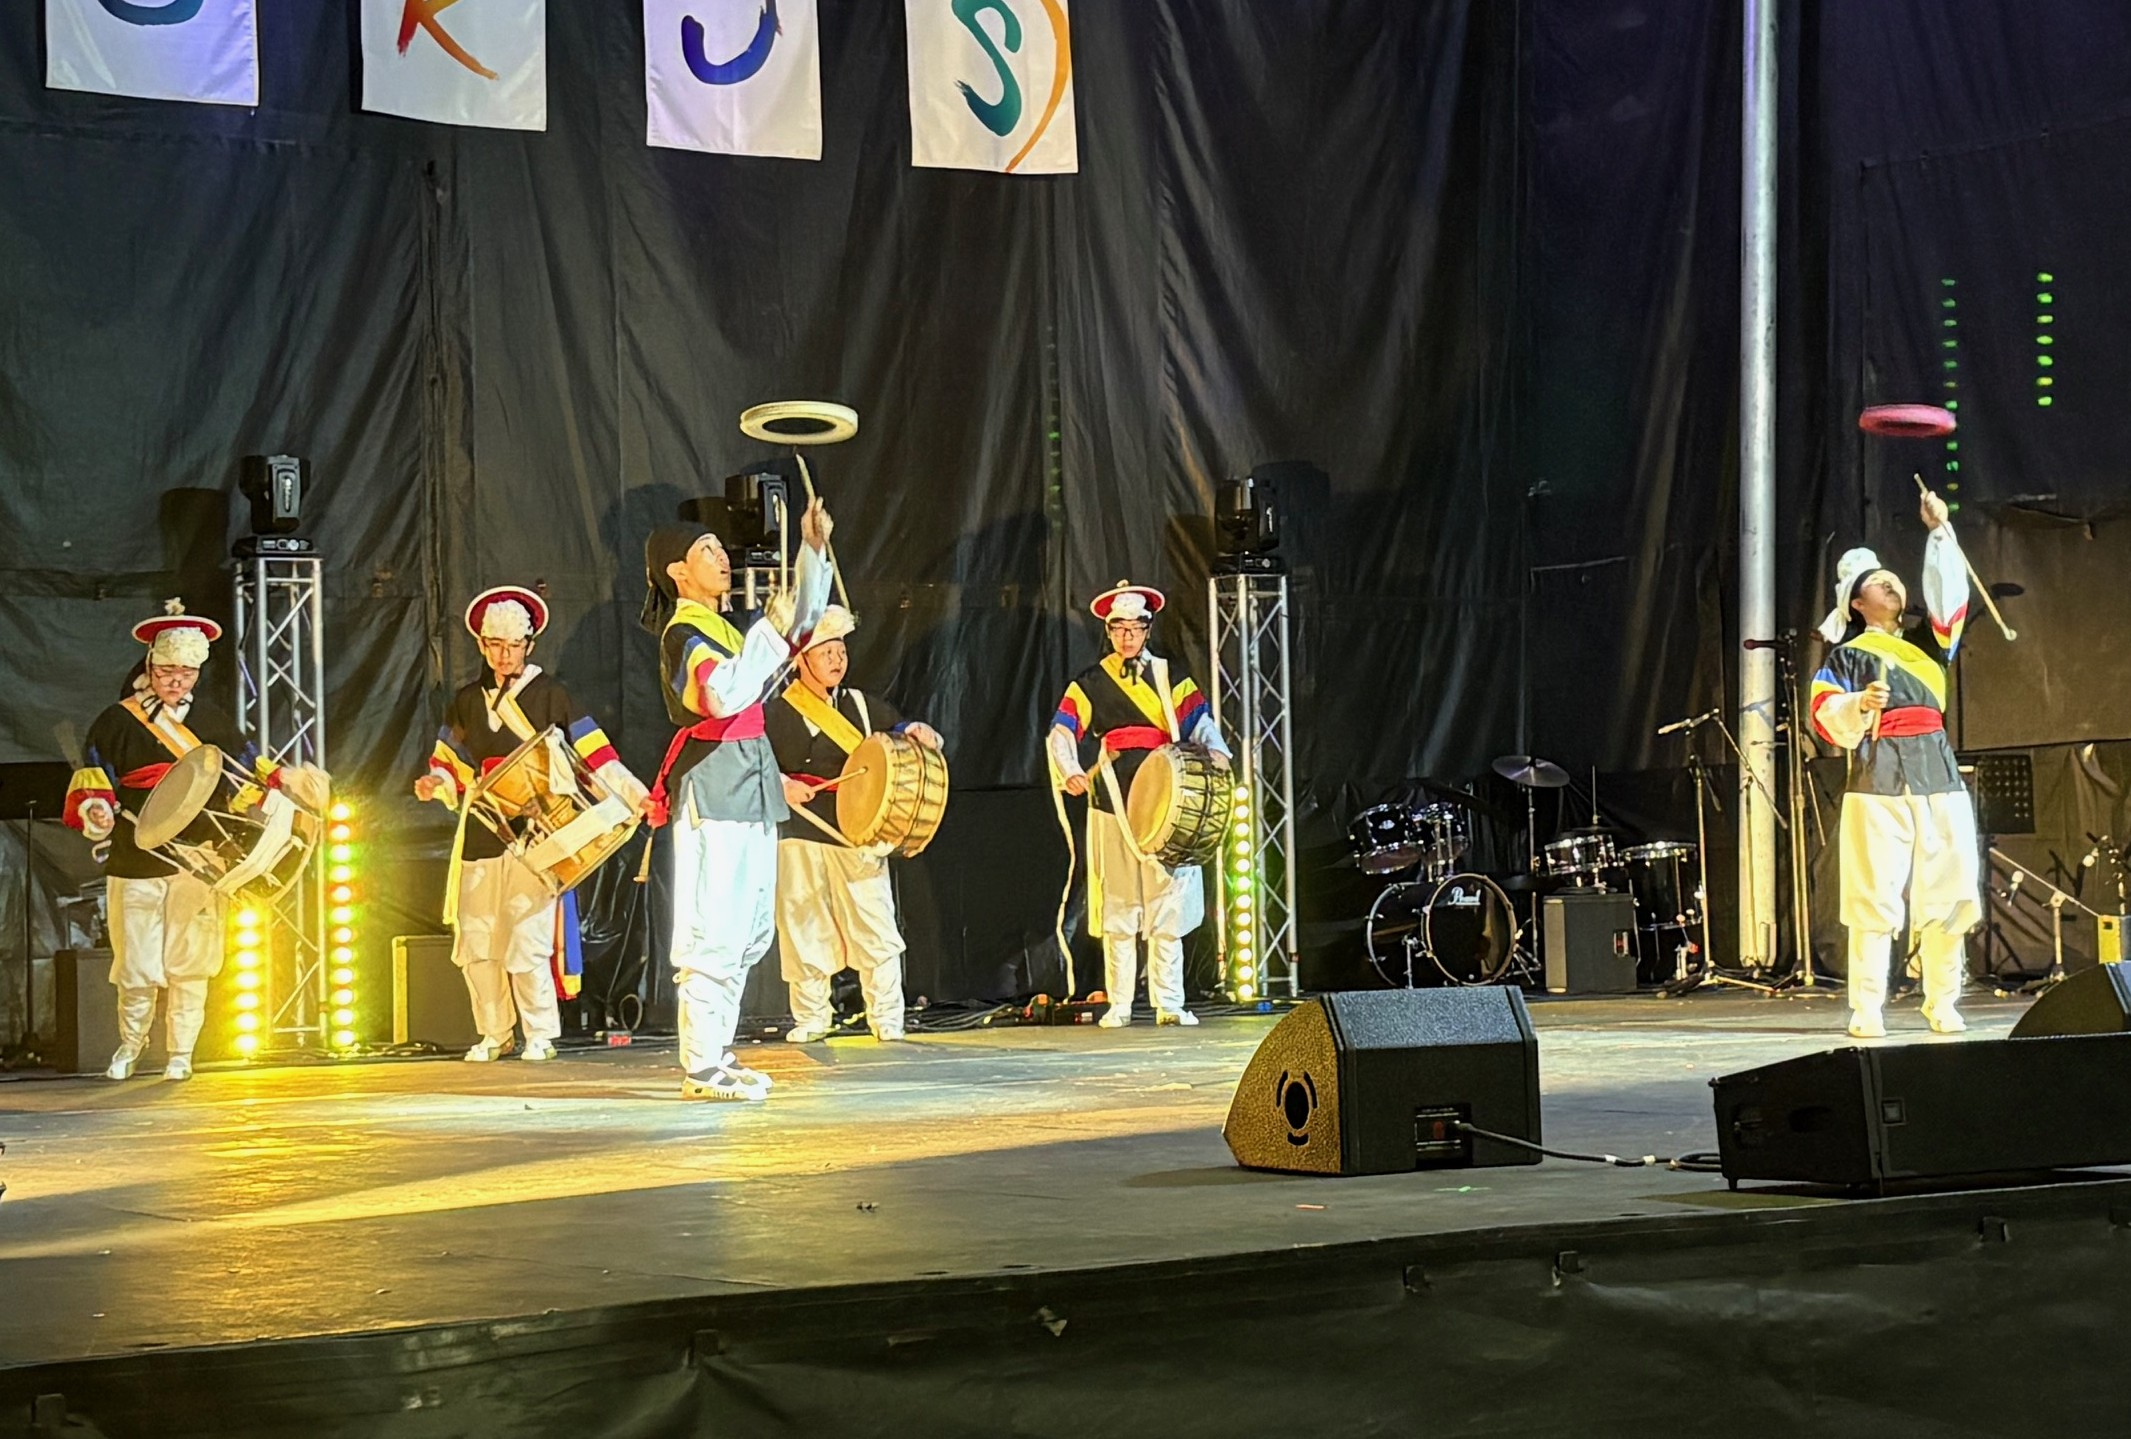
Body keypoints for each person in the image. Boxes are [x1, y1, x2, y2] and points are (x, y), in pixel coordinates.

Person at [642, 499, 833, 1100]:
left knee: (750, 929)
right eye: (706, 551)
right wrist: (772, 633)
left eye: (720, 548)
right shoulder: (684, 633)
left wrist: (813, 550)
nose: (721, 557)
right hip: (716, 782)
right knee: (715, 926)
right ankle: (701, 1066)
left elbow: (798, 626)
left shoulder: (725, 627)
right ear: (677, 571)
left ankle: (717, 1052)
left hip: (750, 778)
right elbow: (721, 695)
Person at [416, 587, 646, 1062]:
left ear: (529, 645)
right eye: (495, 645)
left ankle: (539, 1032)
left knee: (528, 938)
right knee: (477, 939)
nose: (505, 655)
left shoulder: (551, 695)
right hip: (483, 828)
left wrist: (634, 793)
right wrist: (436, 782)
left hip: (538, 829)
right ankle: (494, 1032)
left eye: (514, 645)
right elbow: (450, 763)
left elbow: (595, 752)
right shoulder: (467, 701)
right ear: (482, 645)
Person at [63, 601, 278, 1081]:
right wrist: (96, 807)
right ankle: (130, 1044)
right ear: (149, 667)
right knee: (136, 963)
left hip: (198, 854)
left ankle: (181, 1052)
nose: (176, 682)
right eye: (166, 672)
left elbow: (246, 775)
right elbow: (95, 780)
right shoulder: (117, 720)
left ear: (197, 674)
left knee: (191, 961)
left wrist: (272, 791)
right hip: (136, 851)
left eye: (186, 673)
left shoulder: (213, 720)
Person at [1809, 485, 1978, 1039]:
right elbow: (1824, 715)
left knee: (1950, 890)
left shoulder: (1931, 642)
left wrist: (1940, 532)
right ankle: (1867, 1007)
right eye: (1879, 583)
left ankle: (1942, 1000)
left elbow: (1949, 592)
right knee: (1873, 893)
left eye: (1894, 579)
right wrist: (1859, 703)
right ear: (1857, 604)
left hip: (1936, 772)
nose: (1893, 585)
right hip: (1877, 775)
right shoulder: (1848, 657)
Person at [1047, 581, 1230, 1027]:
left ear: (1148, 629)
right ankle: (1121, 1003)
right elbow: (1061, 731)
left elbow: (1200, 721)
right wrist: (1070, 769)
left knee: (1168, 901)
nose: (1127, 636)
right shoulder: (1089, 683)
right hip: (1111, 795)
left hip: (1166, 796)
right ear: (1109, 630)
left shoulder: (1171, 676)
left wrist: (1217, 750)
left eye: (1136, 628)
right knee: (1119, 900)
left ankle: (1170, 1003)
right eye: (1119, 628)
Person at [764, 606, 944, 1043]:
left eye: (841, 650)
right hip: (801, 832)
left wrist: (919, 731)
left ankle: (887, 1015)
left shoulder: (861, 705)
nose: (836, 659)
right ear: (801, 659)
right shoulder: (774, 713)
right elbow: (753, 763)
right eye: (825, 651)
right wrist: (782, 785)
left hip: (856, 831)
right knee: (803, 924)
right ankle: (812, 1017)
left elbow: (899, 729)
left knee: (874, 925)